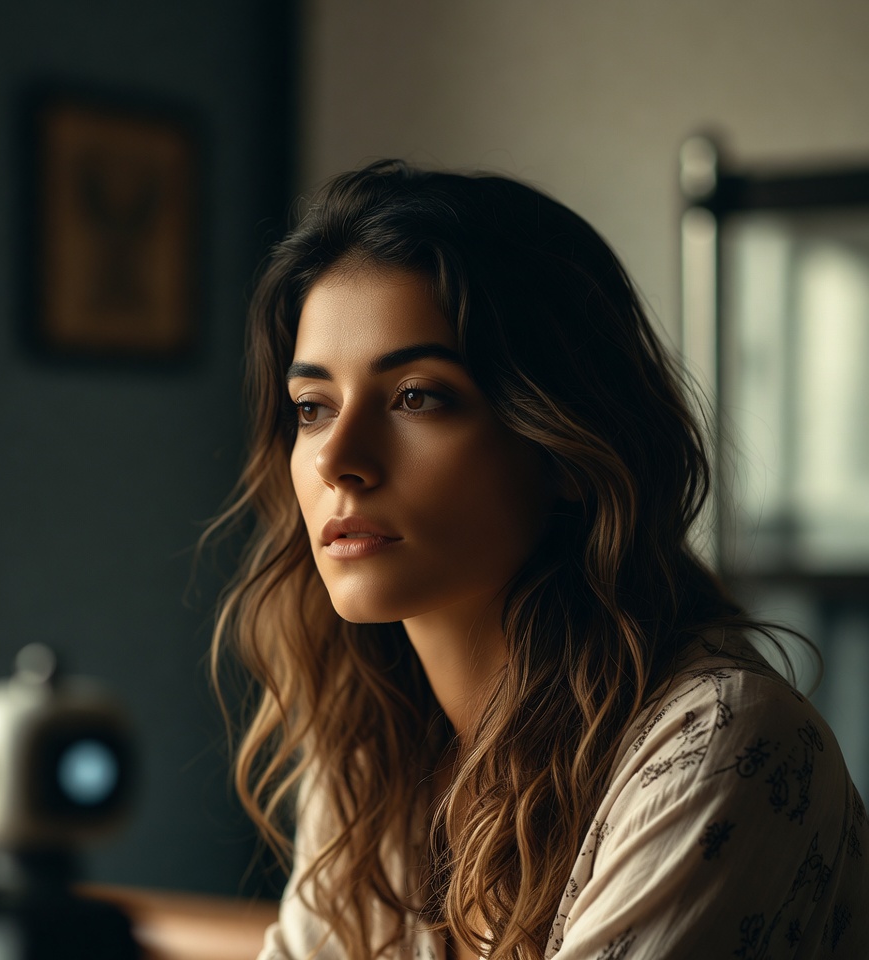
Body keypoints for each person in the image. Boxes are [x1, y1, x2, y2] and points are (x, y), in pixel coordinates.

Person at [206, 160, 869, 960]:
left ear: (563, 444)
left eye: (417, 396)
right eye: (312, 407)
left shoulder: (717, 746)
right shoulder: (372, 752)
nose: (336, 459)